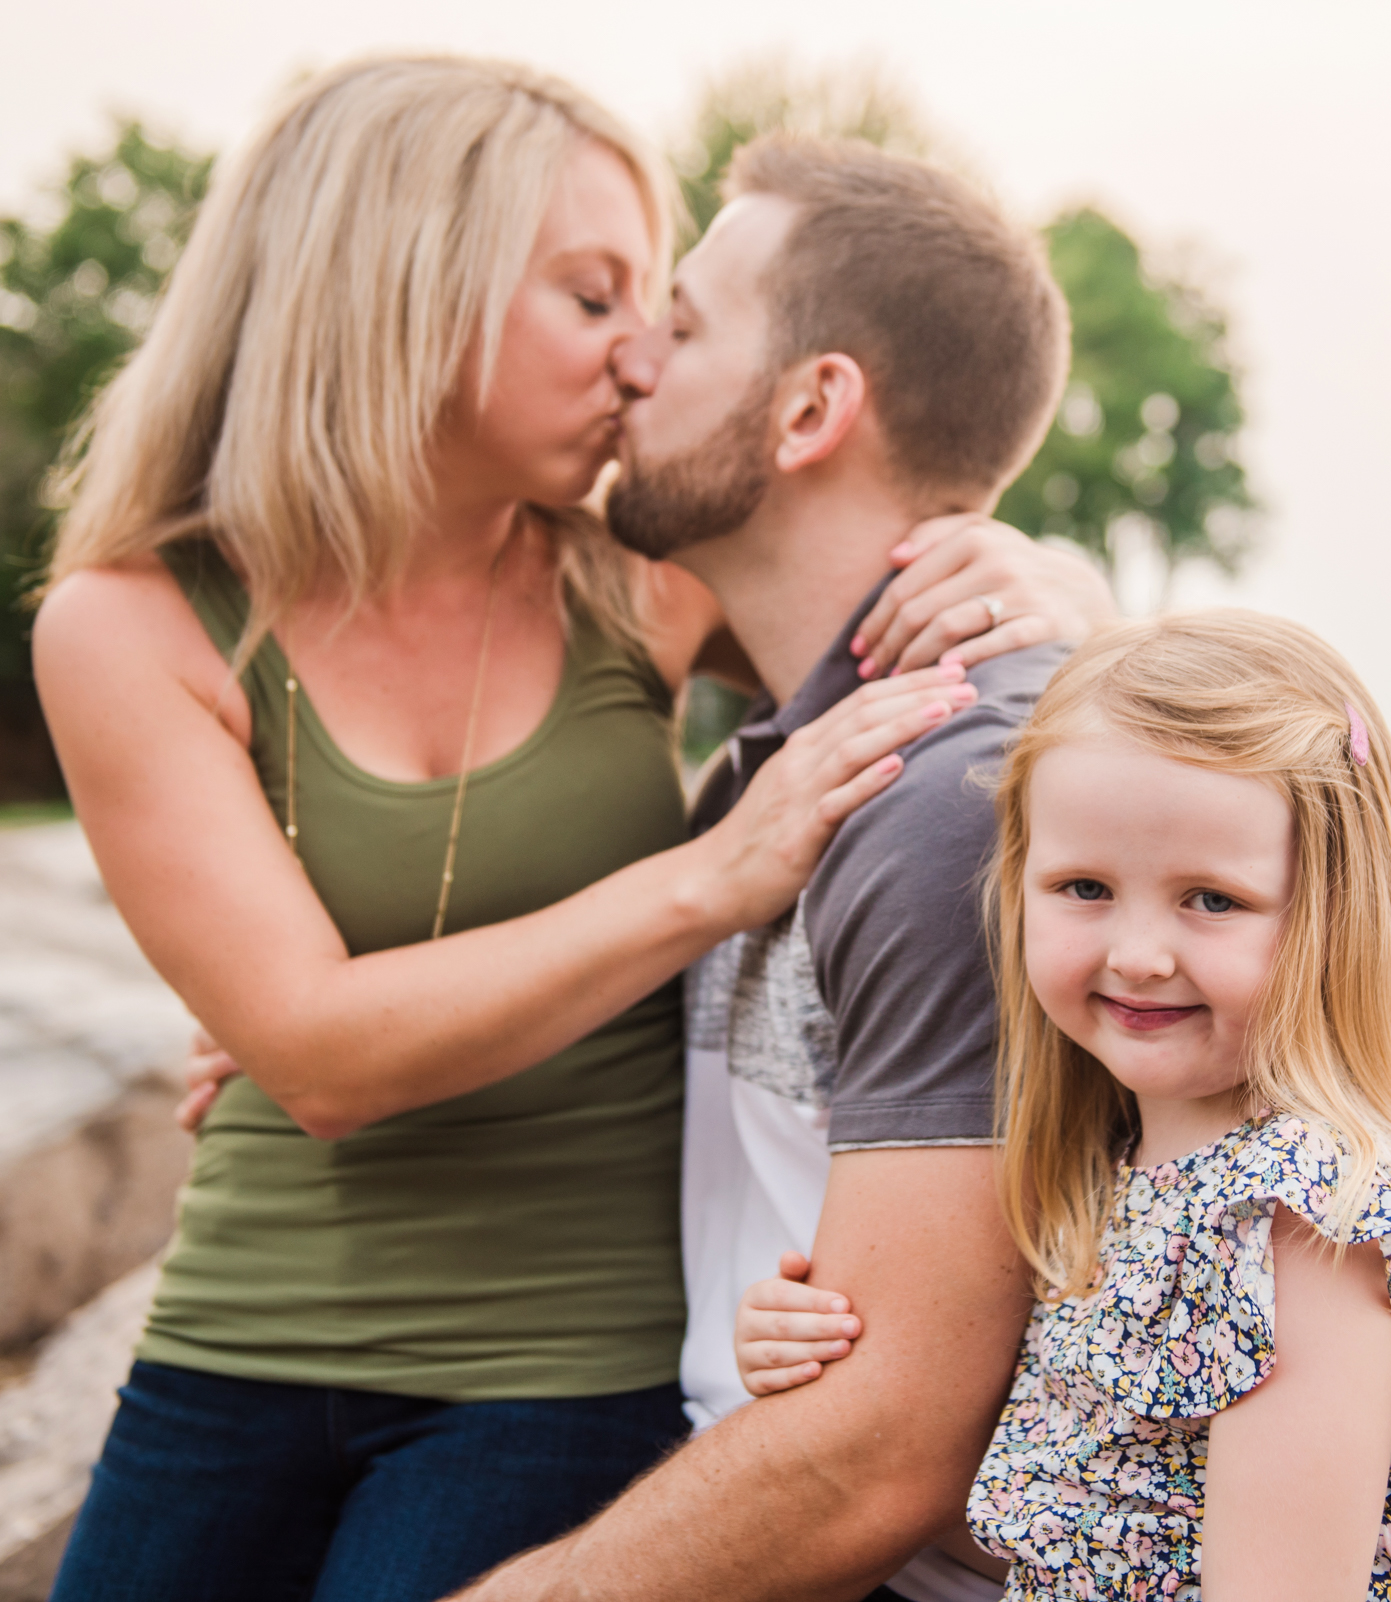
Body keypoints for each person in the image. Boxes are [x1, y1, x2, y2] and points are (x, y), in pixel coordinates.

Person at [31, 57, 1111, 1602]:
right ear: (405, 285)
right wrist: (703, 882)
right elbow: (320, 1049)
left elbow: (882, 591)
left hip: (566, 1360)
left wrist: (1065, 596)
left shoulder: (636, 570)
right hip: (242, 1326)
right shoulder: (131, 623)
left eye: (660, 315)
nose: (632, 360)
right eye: (597, 299)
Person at [450, 137, 1079, 1602]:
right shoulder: (795, 744)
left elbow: (881, 1453)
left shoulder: (944, 798)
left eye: (679, 324)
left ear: (810, 407)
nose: (629, 367)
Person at [739, 611, 1391, 1602]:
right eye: (1085, 887)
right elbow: (1078, 1525)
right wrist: (814, 1360)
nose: (1136, 954)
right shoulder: (1115, 1169)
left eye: (1210, 899)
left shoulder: (1303, 1221)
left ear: (1335, 915)